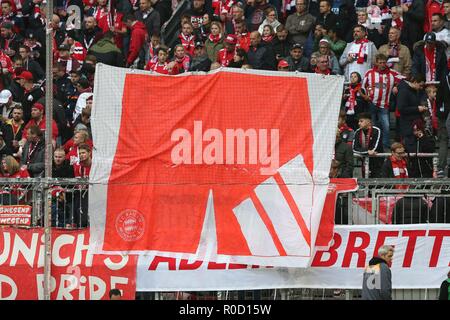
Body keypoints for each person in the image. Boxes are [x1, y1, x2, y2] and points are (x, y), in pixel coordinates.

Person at [363, 53, 403, 151]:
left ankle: (385, 147)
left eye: (384, 63)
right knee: (373, 126)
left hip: (384, 105)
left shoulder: (392, 73)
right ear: (376, 63)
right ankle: (374, 146)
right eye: (380, 62)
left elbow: (404, 79)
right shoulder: (369, 73)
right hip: (371, 103)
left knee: (387, 126)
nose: (382, 64)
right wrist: (365, 96)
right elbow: (363, 86)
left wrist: (396, 86)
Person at [397, 74, 427, 153]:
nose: (421, 88)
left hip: (415, 124)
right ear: (415, 82)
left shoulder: (414, 91)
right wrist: (417, 109)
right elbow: (401, 108)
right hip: (408, 126)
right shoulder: (404, 91)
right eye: (420, 85)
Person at [352, 112, 384, 178]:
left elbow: (375, 148)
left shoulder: (376, 130)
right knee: (365, 181)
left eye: (361, 121)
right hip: (364, 161)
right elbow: (354, 148)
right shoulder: (357, 132)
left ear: (368, 121)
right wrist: (367, 152)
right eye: (359, 121)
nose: (359, 123)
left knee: (376, 182)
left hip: (377, 162)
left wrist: (365, 151)